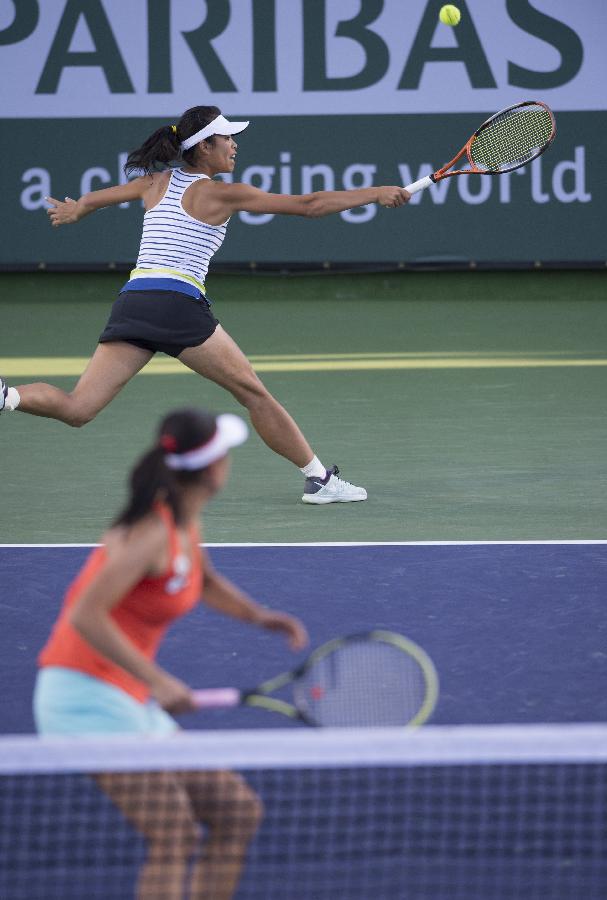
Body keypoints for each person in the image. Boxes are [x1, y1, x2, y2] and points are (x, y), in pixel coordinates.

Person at [0, 105, 410, 503]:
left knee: (78, 408)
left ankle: (6, 396)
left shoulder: (153, 183)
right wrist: (375, 192)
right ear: (204, 146)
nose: (235, 145)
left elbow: (94, 198)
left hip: (134, 302)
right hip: (177, 304)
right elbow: (309, 206)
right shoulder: (222, 194)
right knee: (254, 395)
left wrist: (76, 210)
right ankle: (319, 481)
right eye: (227, 137)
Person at [34, 406, 308, 900]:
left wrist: (258, 615)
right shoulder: (152, 532)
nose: (230, 461)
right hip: (83, 694)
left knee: (236, 813)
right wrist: (159, 681)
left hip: (125, 695)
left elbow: (199, 579)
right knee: (174, 833)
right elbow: (85, 613)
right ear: (211, 468)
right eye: (225, 453)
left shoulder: (182, 520)